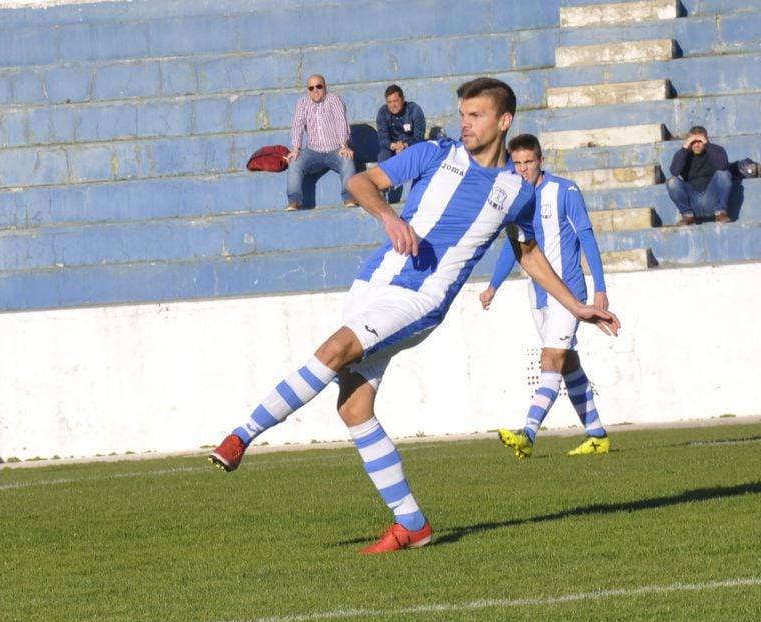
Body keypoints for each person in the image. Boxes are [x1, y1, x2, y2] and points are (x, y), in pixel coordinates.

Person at [208, 78, 620, 554]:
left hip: (422, 299)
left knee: (333, 350)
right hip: (374, 283)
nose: (465, 123)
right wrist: (389, 217)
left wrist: (576, 305)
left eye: (477, 116)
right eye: (463, 115)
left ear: (504, 122)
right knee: (354, 407)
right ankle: (412, 524)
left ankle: (240, 437)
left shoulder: (517, 191)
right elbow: (361, 181)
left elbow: (527, 253)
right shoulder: (431, 154)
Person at [479, 134, 611, 459]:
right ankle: (596, 435)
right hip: (537, 295)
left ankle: (528, 433)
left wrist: (600, 287)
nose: (523, 169)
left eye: (529, 162)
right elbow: (518, 250)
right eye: (518, 163)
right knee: (568, 363)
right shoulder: (514, 201)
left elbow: (587, 237)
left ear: (541, 161)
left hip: (569, 292)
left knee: (550, 359)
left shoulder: (564, 191)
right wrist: (494, 285)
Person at [285, 74, 357, 211]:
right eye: (311, 88)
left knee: (347, 159)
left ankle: (349, 197)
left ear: (325, 87)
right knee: (294, 162)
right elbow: (297, 124)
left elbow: (341, 121)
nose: (315, 90)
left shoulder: (334, 99)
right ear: (307, 90)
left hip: (335, 149)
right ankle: (294, 201)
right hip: (313, 151)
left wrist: (343, 145)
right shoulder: (302, 103)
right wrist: (296, 148)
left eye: (319, 86)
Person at [666, 126, 732, 225]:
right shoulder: (683, 154)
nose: (696, 145)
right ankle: (687, 216)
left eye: (700, 141)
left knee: (724, 174)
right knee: (672, 181)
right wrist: (685, 148)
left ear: (706, 140)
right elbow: (674, 172)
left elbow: (723, 166)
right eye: (693, 142)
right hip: (692, 202)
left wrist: (707, 145)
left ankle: (721, 213)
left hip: (712, 199)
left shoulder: (717, 150)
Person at [375, 84, 426, 164]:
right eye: (389, 102)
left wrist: (405, 145)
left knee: (419, 151)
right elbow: (382, 139)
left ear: (403, 99)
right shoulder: (383, 113)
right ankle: (384, 176)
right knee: (383, 155)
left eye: (395, 101)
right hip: (392, 148)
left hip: (411, 146)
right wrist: (394, 146)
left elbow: (419, 137)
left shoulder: (414, 110)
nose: (393, 105)